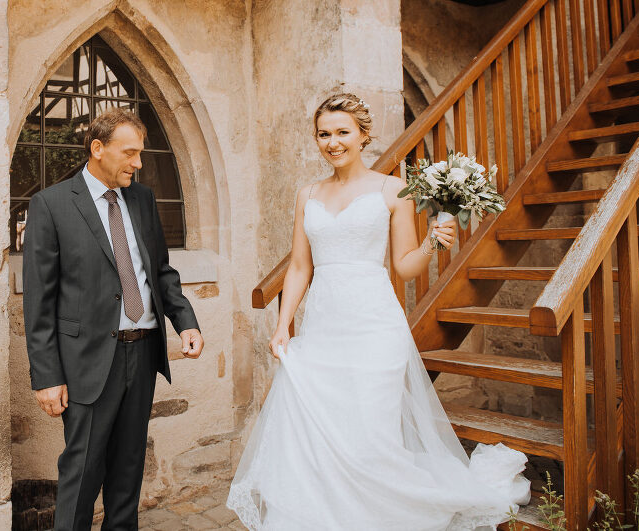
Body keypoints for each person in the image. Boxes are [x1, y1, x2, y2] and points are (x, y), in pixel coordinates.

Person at [227, 94, 530, 530]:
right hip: (323, 328)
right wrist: (281, 325)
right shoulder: (307, 194)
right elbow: (299, 266)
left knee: (372, 432)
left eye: (342, 132)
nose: (333, 142)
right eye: (324, 134)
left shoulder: (392, 189)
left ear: (363, 135)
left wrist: (430, 243)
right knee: (322, 430)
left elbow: (404, 267)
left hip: (375, 326)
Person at [23, 108, 204, 530]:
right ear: (98, 148)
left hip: (142, 356)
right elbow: (39, 301)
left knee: (128, 473)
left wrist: (186, 321)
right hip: (86, 362)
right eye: (130, 153)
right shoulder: (50, 205)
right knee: (82, 475)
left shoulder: (141, 199)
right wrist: (47, 376)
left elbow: (160, 272)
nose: (138, 163)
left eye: (140, 154)